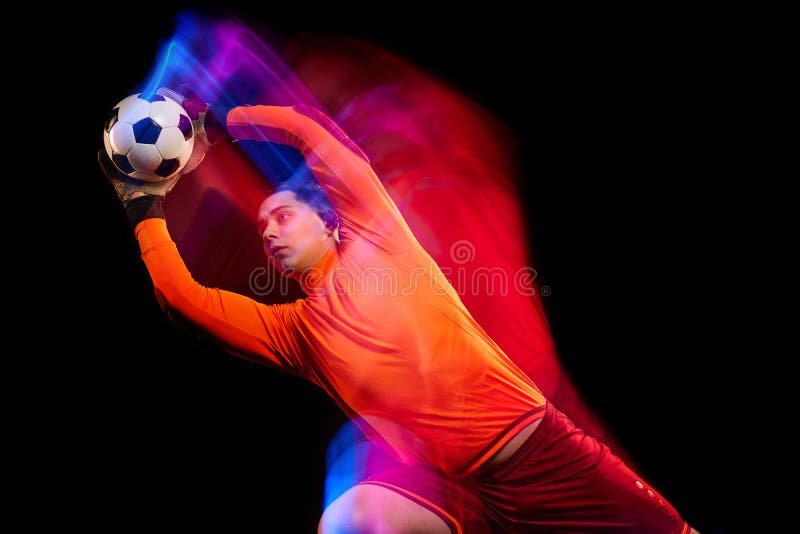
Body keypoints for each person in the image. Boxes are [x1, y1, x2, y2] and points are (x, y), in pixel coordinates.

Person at [98, 88, 698, 533]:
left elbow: (310, 134)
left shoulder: (380, 240)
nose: (271, 232)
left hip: (544, 458)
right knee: (351, 516)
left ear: (329, 222)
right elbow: (183, 298)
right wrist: (143, 205)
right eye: (263, 229)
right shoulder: (296, 332)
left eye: (283, 216)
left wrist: (217, 120)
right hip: (461, 491)